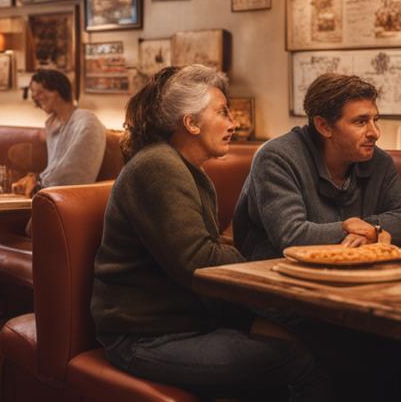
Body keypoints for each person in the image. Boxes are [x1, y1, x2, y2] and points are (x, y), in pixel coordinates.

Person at [92, 65, 332, 401]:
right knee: (298, 360)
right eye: (222, 112)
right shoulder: (157, 166)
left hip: (185, 324)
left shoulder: (186, 169)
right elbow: (198, 260)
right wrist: (268, 266)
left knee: (309, 337)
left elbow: (205, 251)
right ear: (190, 123)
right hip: (144, 338)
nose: (233, 124)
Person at [233, 73, 401, 261]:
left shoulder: (378, 160)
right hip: (273, 274)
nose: (375, 133)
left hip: (351, 272)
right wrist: (346, 229)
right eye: (361, 122)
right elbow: (291, 235)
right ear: (324, 126)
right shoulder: (277, 158)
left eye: (375, 120)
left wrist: (370, 229)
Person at [12, 69, 107, 196]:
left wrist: (37, 183)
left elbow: (74, 171)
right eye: (33, 94)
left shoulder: (87, 122)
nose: (35, 97)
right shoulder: (54, 124)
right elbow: (56, 169)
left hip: (72, 199)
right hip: (52, 195)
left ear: (57, 90)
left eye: (39, 92)